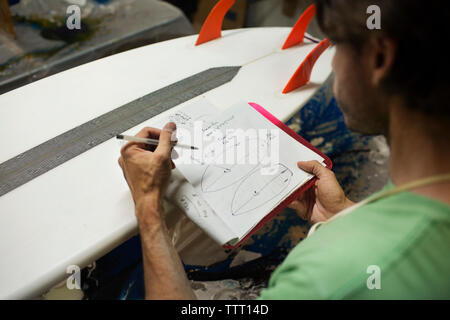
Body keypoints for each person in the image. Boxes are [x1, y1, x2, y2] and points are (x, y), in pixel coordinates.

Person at [118, 0, 450, 299]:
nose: (333, 67)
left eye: (338, 46)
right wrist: (345, 215)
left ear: (379, 58)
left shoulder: (329, 277)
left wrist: (148, 208)